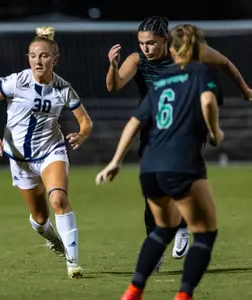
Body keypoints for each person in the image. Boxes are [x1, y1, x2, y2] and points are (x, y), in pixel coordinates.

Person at [105, 16, 251, 263]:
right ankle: (162, 238)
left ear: (165, 40)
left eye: (151, 43)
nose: (145, 48)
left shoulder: (186, 52)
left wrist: (245, 89)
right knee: (155, 189)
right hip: (153, 132)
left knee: (178, 179)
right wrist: (112, 65)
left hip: (188, 128)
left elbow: (224, 62)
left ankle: (183, 226)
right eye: (141, 43)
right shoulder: (136, 60)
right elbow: (114, 86)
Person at [97, 24, 222, 300]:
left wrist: (115, 161)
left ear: (170, 47)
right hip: (181, 160)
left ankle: (133, 291)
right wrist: (215, 132)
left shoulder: (161, 82)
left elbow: (133, 122)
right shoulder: (201, 71)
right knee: (206, 231)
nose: (145, 48)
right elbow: (208, 102)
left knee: (162, 227)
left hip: (150, 162)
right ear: (198, 49)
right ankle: (183, 295)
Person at [0, 26, 93, 278]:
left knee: (58, 200)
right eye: (33, 56)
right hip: (20, 160)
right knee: (40, 219)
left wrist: (82, 133)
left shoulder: (63, 88)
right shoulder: (17, 82)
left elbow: (85, 121)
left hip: (51, 152)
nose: (37, 61)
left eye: (43, 56)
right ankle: (53, 238)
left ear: (55, 58)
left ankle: (73, 263)